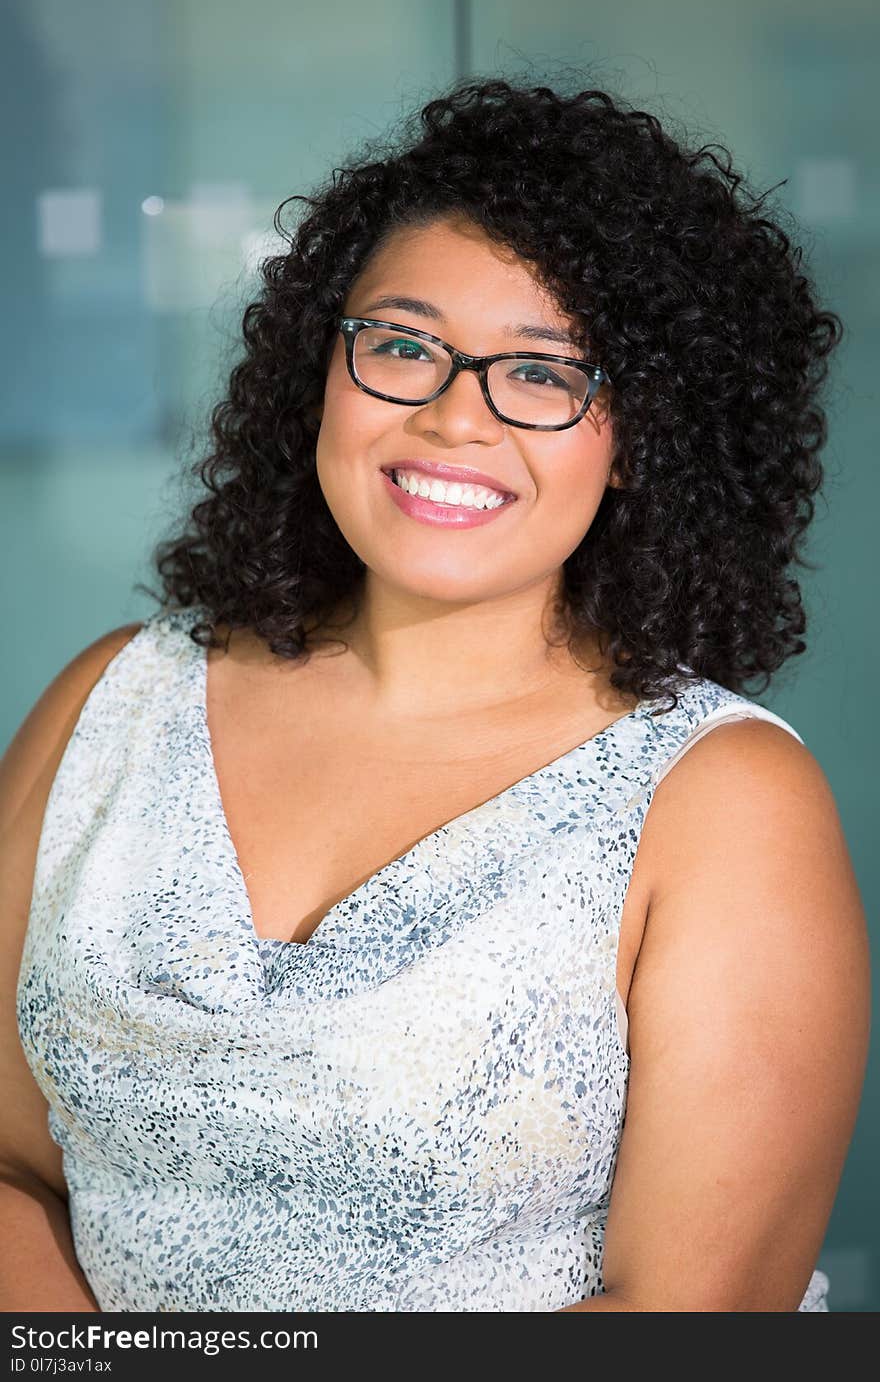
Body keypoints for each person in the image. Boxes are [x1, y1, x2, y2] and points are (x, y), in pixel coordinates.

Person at [2, 75, 870, 1313]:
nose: (455, 416)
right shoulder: (112, 704)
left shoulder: (723, 801)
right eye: (404, 345)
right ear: (324, 372)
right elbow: (9, 1168)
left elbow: (690, 1318)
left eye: (542, 374)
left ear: (641, 439)